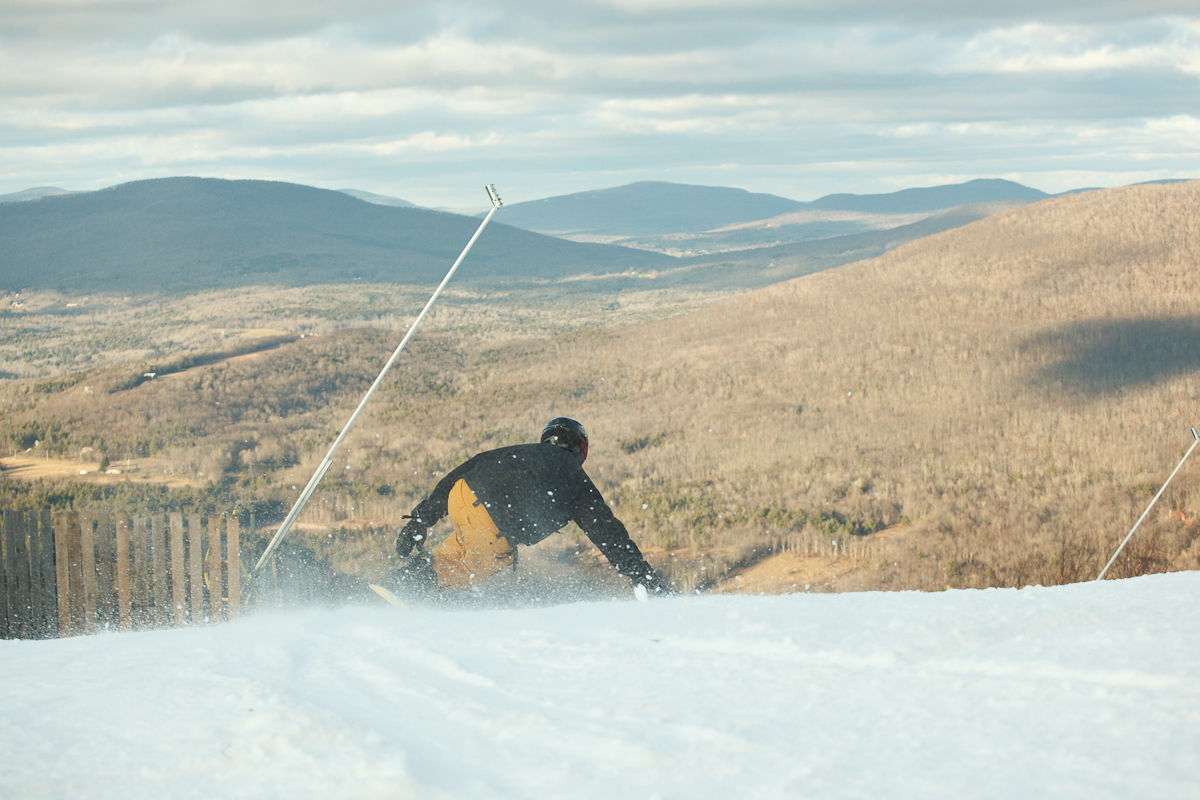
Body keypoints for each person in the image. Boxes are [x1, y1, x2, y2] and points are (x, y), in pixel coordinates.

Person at [391, 417, 672, 597]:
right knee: (475, 565)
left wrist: (422, 519)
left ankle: (404, 579)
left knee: (457, 552)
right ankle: (411, 589)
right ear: (581, 451)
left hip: (462, 496)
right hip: (493, 522)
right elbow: (609, 535)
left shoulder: (522, 450)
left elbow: (467, 468)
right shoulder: (577, 481)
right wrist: (643, 576)